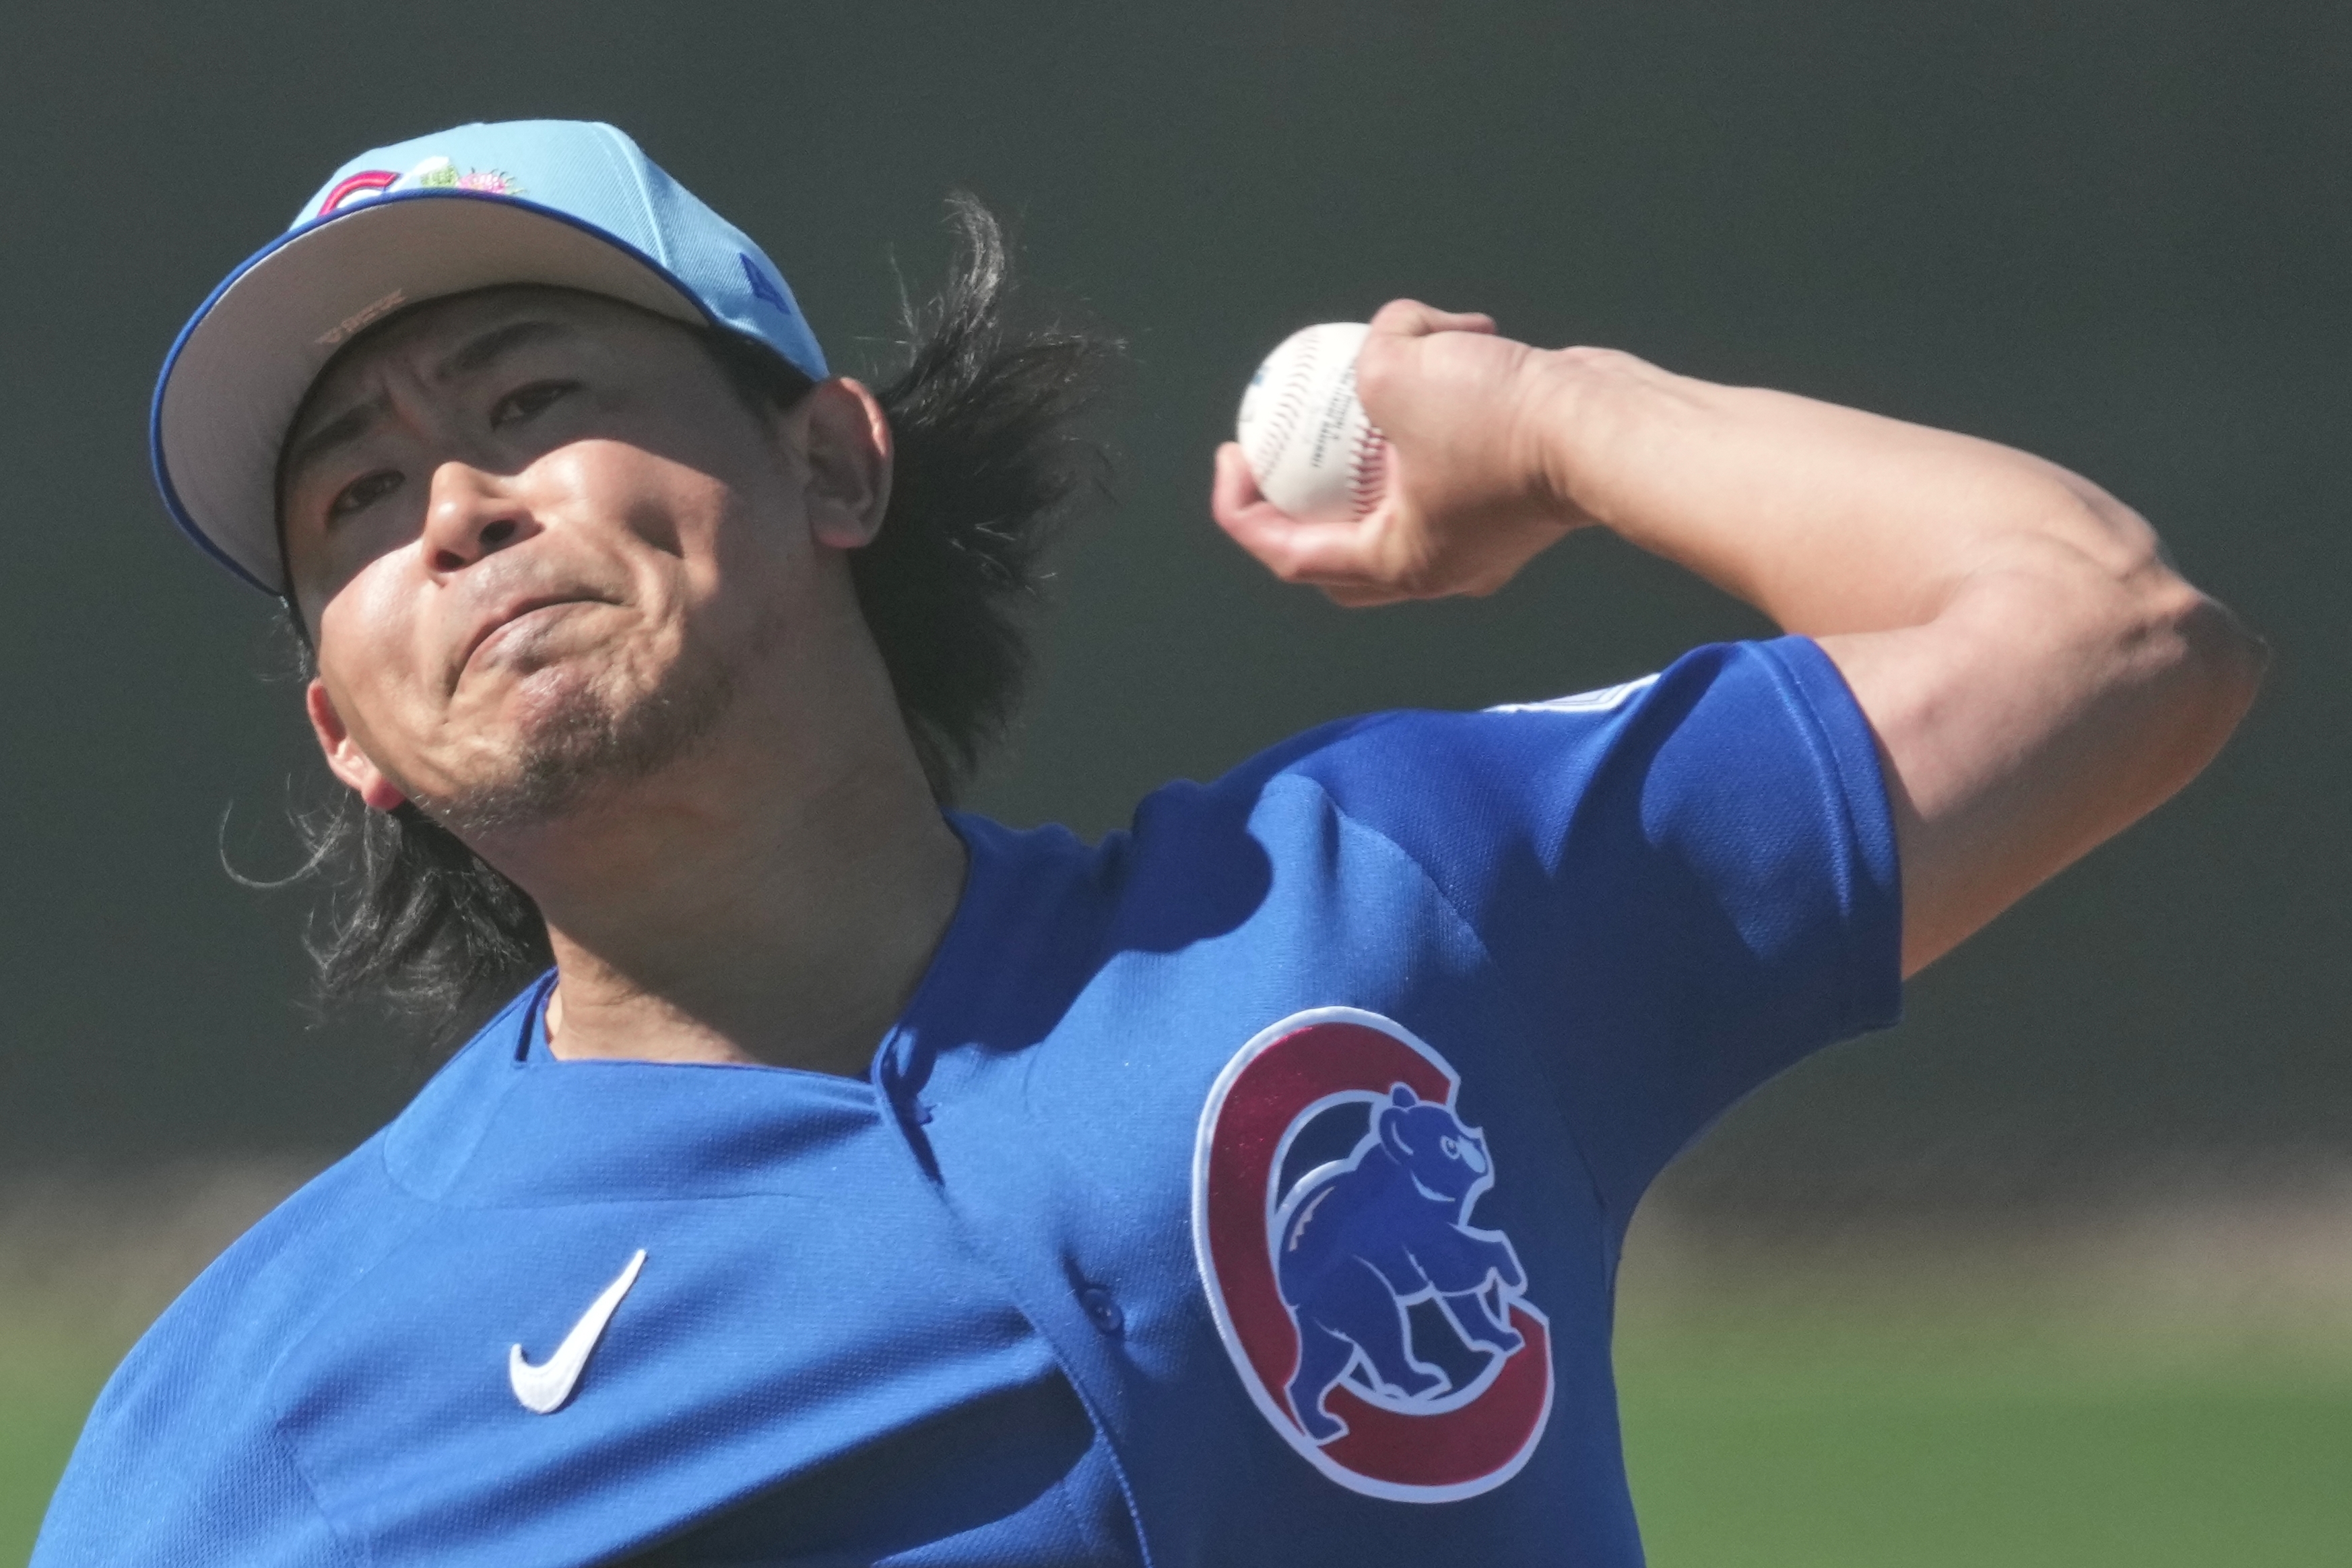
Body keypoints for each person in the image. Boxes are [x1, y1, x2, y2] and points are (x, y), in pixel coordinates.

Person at [36, 119, 2260, 1568]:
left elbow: (2108, 637)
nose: (456, 506)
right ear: (350, 732)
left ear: (829, 463)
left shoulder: (1382, 910)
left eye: (532, 399)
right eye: (353, 500)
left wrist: (1556, 421)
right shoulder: (265, 1417)